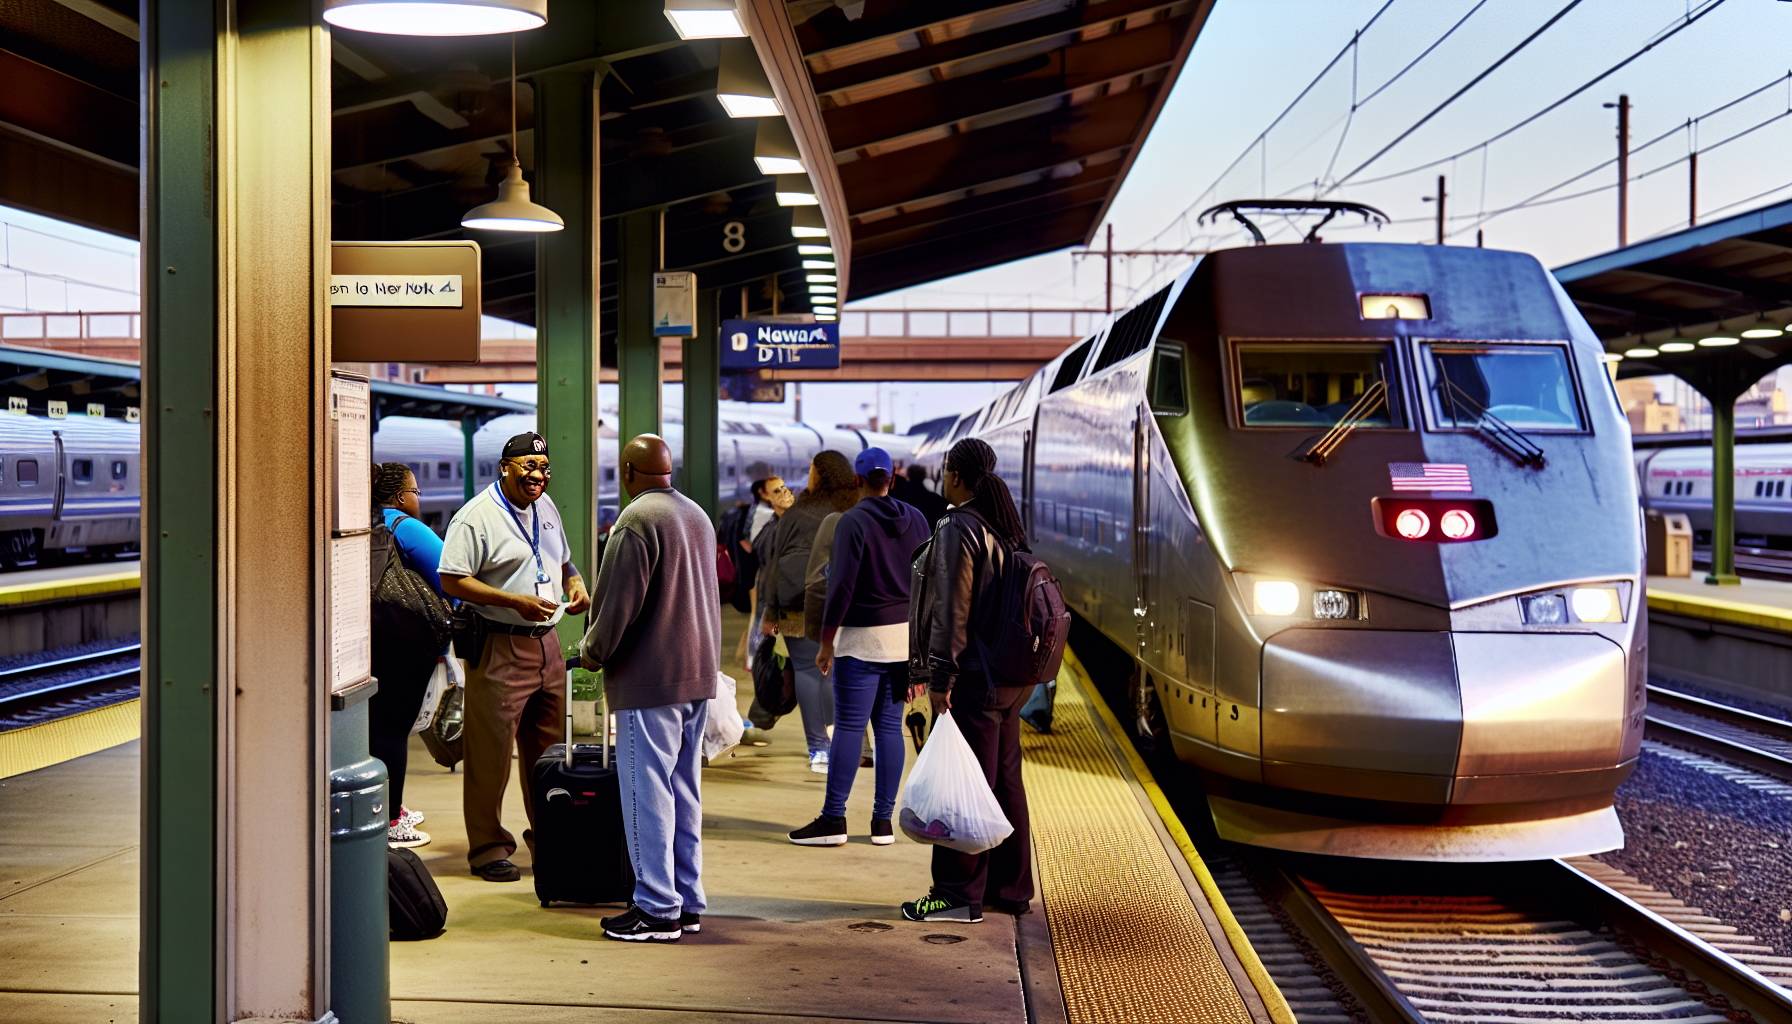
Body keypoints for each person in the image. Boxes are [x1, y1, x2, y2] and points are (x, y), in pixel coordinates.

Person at [580, 434, 721, 943]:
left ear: (626, 470)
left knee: (646, 793)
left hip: (651, 679)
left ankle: (657, 908)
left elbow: (617, 604)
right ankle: (687, 901)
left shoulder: (636, 522)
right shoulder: (696, 515)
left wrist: (592, 653)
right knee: (684, 791)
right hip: (697, 676)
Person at [438, 432, 591, 883]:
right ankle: (487, 848)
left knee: (550, 752)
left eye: (543, 469)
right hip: (499, 644)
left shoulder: (545, 507)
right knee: (491, 754)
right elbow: (452, 579)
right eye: (528, 466)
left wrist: (575, 585)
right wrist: (513, 601)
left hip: (547, 643)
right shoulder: (475, 518)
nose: (538, 476)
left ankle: (550, 835)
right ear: (505, 467)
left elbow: (562, 562)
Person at [902, 437, 1033, 925]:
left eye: (945, 473)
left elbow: (952, 610)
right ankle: (1011, 888)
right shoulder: (1004, 523)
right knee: (1003, 782)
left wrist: (942, 676)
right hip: (1010, 677)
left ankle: (957, 894)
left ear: (956, 475)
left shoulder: (959, 526)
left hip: (975, 678)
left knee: (963, 785)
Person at [788, 448, 929, 847]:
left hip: (860, 640)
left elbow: (842, 586)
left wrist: (826, 642)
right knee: (889, 729)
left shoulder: (852, 522)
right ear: (893, 480)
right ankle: (882, 824)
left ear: (857, 481)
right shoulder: (917, 519)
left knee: (850, 727)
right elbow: (926, 582)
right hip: (902, 640)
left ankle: (834, 819)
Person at [755, 452, 860, 772]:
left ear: (819, 475)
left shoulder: (798, 512)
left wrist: (769, 613)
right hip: (841, 604)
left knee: (807, 671)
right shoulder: (853, 508)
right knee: (833, 673)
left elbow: (775, 564)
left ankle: (819, 749)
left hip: (795, 604)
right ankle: (840, 739)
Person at [368, 462, 445, 849]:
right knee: (393, 730)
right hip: (406, 641)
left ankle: (384, 805)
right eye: (416, 491)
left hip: (373, 638)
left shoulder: (364, 521)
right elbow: (451, 575)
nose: (418, 498)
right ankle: (392, 816)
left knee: (377, 724)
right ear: (400, 496)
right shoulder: (404, 526)